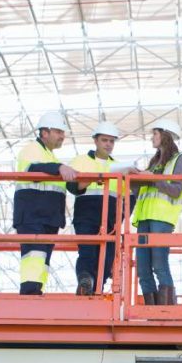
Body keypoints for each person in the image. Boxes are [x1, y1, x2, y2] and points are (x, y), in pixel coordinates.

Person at [13, 111, 78, 295]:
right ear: (44, 133)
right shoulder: (33, 149)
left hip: (47, 218)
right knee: (34, 254)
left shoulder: (51, 156)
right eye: (58, 131)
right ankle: (29, 290)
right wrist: (59, 168)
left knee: (43, 257)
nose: (62, 136)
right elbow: (33, 169)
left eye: (63, 132)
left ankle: (36, 289)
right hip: (33, 215)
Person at [68, 121, 134, 295]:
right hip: (86, 213)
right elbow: (72, 187)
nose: (108, 144)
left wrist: (121, 218)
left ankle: (97, 288)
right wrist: (93, 178)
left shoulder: (121, 167)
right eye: (105, 140)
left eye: (112, 141)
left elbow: (129, 196)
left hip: (111, 218)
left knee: (107, 257)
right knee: (87, 252)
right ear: (95, 141)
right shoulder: (80, 161)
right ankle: (85, 280)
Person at [131, 118, 182, 305]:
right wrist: (135, 178)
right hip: (144, 218)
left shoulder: (179, 159)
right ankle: (152, 311)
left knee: (159, 265)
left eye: (154, 133)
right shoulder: (154, 163)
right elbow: (141, 191)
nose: (151, 138)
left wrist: (153, 178)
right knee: (143, 269)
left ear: (165, 135)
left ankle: (167, 309)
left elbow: (176, 190)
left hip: (161, 219)